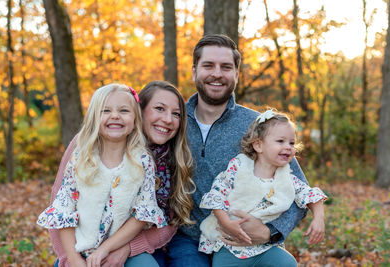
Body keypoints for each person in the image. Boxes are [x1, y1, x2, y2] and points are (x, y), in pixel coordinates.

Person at [165, 34, 309, 267]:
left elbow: (298, 189)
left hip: (247, 241)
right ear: (194, 72)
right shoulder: (173, 121)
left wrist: (270, 231)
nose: (217, 74)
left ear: (237, 75)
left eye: (226, 67)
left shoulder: (260, 126)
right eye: (208, 66)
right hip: (189, 240)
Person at [42, 81, 196, 267]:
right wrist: (70, 259)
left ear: (133, 117)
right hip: (78, 249)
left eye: (176, 114)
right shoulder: (82, 151)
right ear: (141, 111)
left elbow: (151, 215)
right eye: (159, 108)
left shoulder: (148, 161)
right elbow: (61, 209)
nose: (168, 119)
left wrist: (117, 249)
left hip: (132, 246)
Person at [198, 109, 327, 266]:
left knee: (287, 263)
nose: (288, 147)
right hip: (231, 245)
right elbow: (217, 194)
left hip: (264, 248)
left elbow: (310, 195)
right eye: (280, 141)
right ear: (258, 145)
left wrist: (319, 219)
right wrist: (226, 222)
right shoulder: (239, 167)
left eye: (292, 143)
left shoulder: (287, 179)